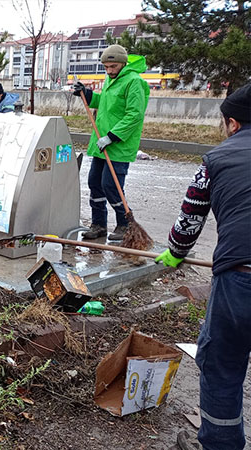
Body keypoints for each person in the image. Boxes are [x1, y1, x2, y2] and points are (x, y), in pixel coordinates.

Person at [156, 84, 251, 450]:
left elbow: (190, 218)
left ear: (232, 124)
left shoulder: (216, 160)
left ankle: (220, 445)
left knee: (222, 364)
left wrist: (176, 252)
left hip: (242, 279)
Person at [73, 44, 150, 241]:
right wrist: (87, 94)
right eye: (106, 67)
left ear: (123, 64)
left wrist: (112, 136)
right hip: (101, 143)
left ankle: (125, 224)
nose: (109, 71)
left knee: (111, 185)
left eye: (113, 66)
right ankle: (99, 224)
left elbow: (134, 115)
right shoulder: (110, 79)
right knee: (94, 183)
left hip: (118, 144)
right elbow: (104, 102)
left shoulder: (134, 82)